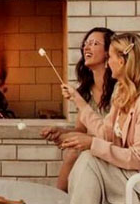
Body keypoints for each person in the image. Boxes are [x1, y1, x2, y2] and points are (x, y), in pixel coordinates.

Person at [61, 33, 140, 204]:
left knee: (89, 161)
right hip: (133, 175)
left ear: (121, 61)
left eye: (110, 57)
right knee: (87, 158)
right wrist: (78, 100)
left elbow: (138, 158)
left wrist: (92, 143)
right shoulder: (122, 91)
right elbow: (106, 133)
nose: (108, 63)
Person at [40, 27, 116, 191]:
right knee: (72, 152)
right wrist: (61, 133)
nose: (86, 47)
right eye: (86, 44)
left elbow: (112, 136)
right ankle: (61, 199)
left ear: (108, 52)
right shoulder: (86, 90)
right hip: (92, 147)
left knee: (74, 153)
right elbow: (81, 130)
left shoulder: (119, 90)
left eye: (94, 43)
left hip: (112, 151)